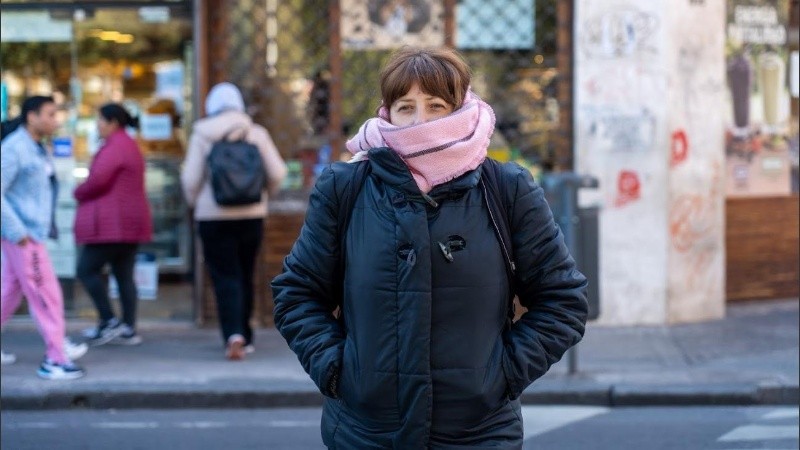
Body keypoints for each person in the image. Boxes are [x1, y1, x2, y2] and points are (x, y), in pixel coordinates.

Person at [271, 46, 589, 448]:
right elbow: (296, 293)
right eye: (406, 107)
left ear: (460, 108)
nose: (420, 121)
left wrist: (501, 375)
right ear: (387, 113)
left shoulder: (507, 189)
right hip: (365, 434)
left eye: (436, 105)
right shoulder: (345, 187)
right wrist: (338, 371)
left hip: (477, 435)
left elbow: (564, 300)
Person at [181, 82, 287, 360]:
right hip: (252, 215)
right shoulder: (256, 133)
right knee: (245, 272)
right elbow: (278, 172)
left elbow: (190, 179)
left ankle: (233, 334)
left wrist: (196, 203)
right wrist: (264, 196)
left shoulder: (202, 134)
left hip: (213, 217)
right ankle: (247, 336)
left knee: (224, 275)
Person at [0, 95, 87, 379]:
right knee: (47, 296)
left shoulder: (35, 147)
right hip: (23, 236)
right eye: (49, 114)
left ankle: (57, 351)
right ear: (31, 116)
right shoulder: (15, 149)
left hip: (28, 233)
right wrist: (18, 233)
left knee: (9, 293)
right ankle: (55, 359)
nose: (55, 120)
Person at [74, 103, 152, 347]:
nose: (97, 125)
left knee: (86, 270)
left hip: (111, 224)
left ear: (113, 123)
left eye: (100, 120)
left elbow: (97, 180)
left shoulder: (115, 146)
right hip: (128, 222)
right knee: (124, 276)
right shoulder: (129, 144)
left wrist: (78, 191)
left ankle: (109, 320)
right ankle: (128, 327)